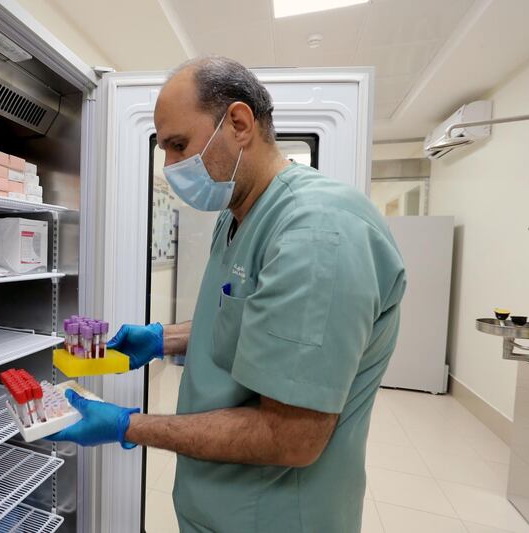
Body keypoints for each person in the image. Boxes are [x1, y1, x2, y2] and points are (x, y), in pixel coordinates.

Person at [49, 56, 406, 533]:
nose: (172, 167)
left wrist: (126, 425)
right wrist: (164, 338)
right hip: (220, 502)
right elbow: (258, 323)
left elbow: (291, 437)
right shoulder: (236, 213)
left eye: (179, 145)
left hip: (276, 515)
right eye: (165, 151)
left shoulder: (317, 234)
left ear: (239, 123)